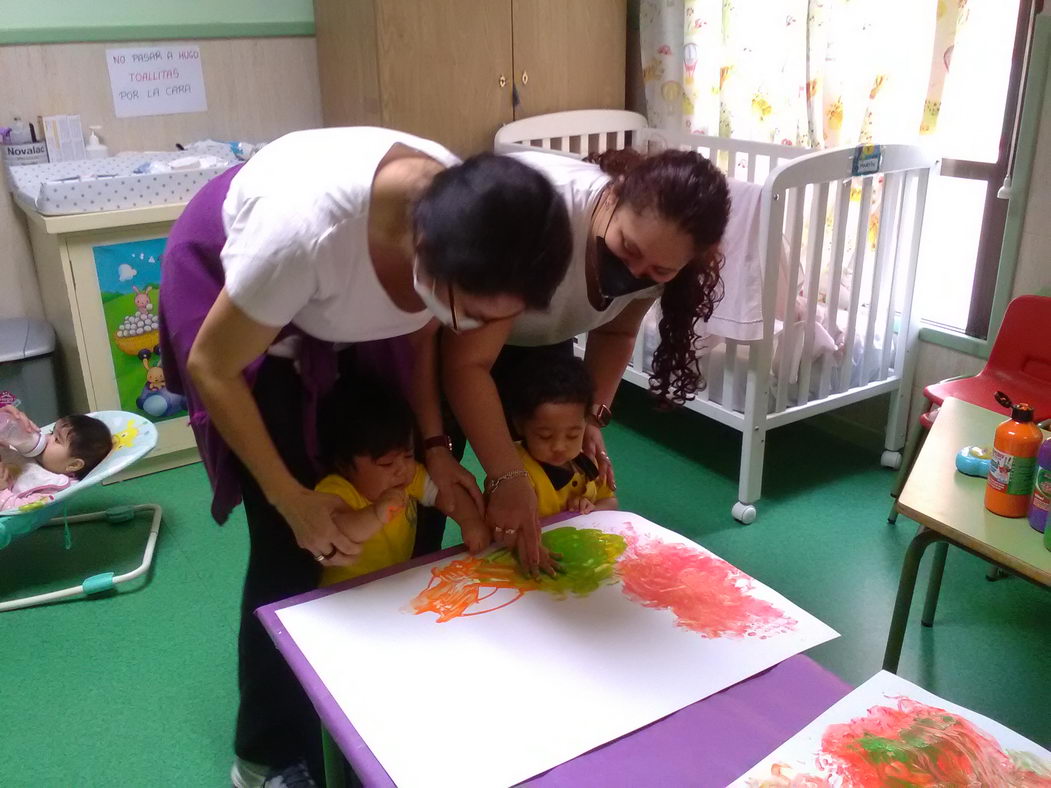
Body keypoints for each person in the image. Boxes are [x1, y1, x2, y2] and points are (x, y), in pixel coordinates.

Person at [158, 127, 571, 787]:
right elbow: (215, 364)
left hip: (348, 298)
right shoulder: (302, 235)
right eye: (470, 312)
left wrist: (434, 451)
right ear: (424, 255)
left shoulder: (469, 225)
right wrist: (290, 499)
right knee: (295, 544)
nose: (474, 327)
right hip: (235, 304)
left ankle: (378, 703)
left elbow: (418, 339)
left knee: (404, 482)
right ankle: (267, 757)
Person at [443, 147, 730, 574]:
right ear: (613, 197)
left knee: (542, 471)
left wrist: (591, 417)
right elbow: (465, 365)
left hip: (540, 335)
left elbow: (616, 329)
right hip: (450, 328)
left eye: (659, 270)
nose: (635, 272)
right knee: (428, 481)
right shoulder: (537, 217)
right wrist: (506, 476)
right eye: (628, 248)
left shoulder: (658, 259)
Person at [317, 381, 489, 587]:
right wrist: (374, 515)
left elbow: (445, 493)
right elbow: (339, 534)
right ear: (344, 464)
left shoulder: (408, 477)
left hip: (393, 582)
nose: (401, 468)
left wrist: (469, 520)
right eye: (387, 463)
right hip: (345, 594)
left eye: (408, 455)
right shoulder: (336, 489)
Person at [506, 355, 618, 520]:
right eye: (545, 436)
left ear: (586, 424)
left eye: (572, 435)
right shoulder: (515, 471)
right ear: (520, 425)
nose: (559, 446)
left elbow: (610, 501)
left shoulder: (586, 460)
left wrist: (590, 510)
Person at [0, 407, 111, 509]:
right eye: (51, 432)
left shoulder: (53, 487)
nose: (46, 438)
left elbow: (17, 510)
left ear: (73, 465)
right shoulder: (30, 459)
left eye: (57, 439)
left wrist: (2, 489)